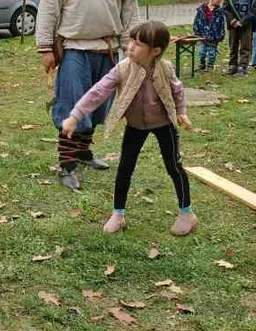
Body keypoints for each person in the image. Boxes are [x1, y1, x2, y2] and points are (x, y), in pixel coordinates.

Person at [36, 0, 141, 191]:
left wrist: (132, 47)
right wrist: (46, 47)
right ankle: (67, 165)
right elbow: (48, 7)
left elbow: (129, 8)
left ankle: (83, 153)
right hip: (74, 49)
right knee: (71, 106)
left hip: (107, 49)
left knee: (97, 109)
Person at [61, 21, 194, 235]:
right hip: (136, 125)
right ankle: (118, 214)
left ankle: (187, 213)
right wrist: (75, 115)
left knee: (174, 166)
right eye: (131, 41)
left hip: (163, 124)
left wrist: (181, 112)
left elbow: (177, 90)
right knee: (125, 168)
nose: (131, 47)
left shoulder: (165, 68)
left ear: (155, 50)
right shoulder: (122, 68)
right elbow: (98, 91)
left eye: (139, 44)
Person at [223, 0, 256, 75]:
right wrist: (232, 21)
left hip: (246, 24)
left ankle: (243, 66)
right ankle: (232, 65)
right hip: (233, 25)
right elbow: (225, 8)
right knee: (233, 44)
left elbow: (254, 10)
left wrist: (242, 22)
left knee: (245, 46)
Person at [192, 0, 226, 71]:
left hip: (214, 37)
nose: (220, 0)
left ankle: (210, 65)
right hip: (202, 36)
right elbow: (196, 21)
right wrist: (197, 32)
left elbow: (222, 24)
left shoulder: (220, 12)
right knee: (201, 52)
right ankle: (202, 64)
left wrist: (220, 35)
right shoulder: (201, 10)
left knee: (212, 52)